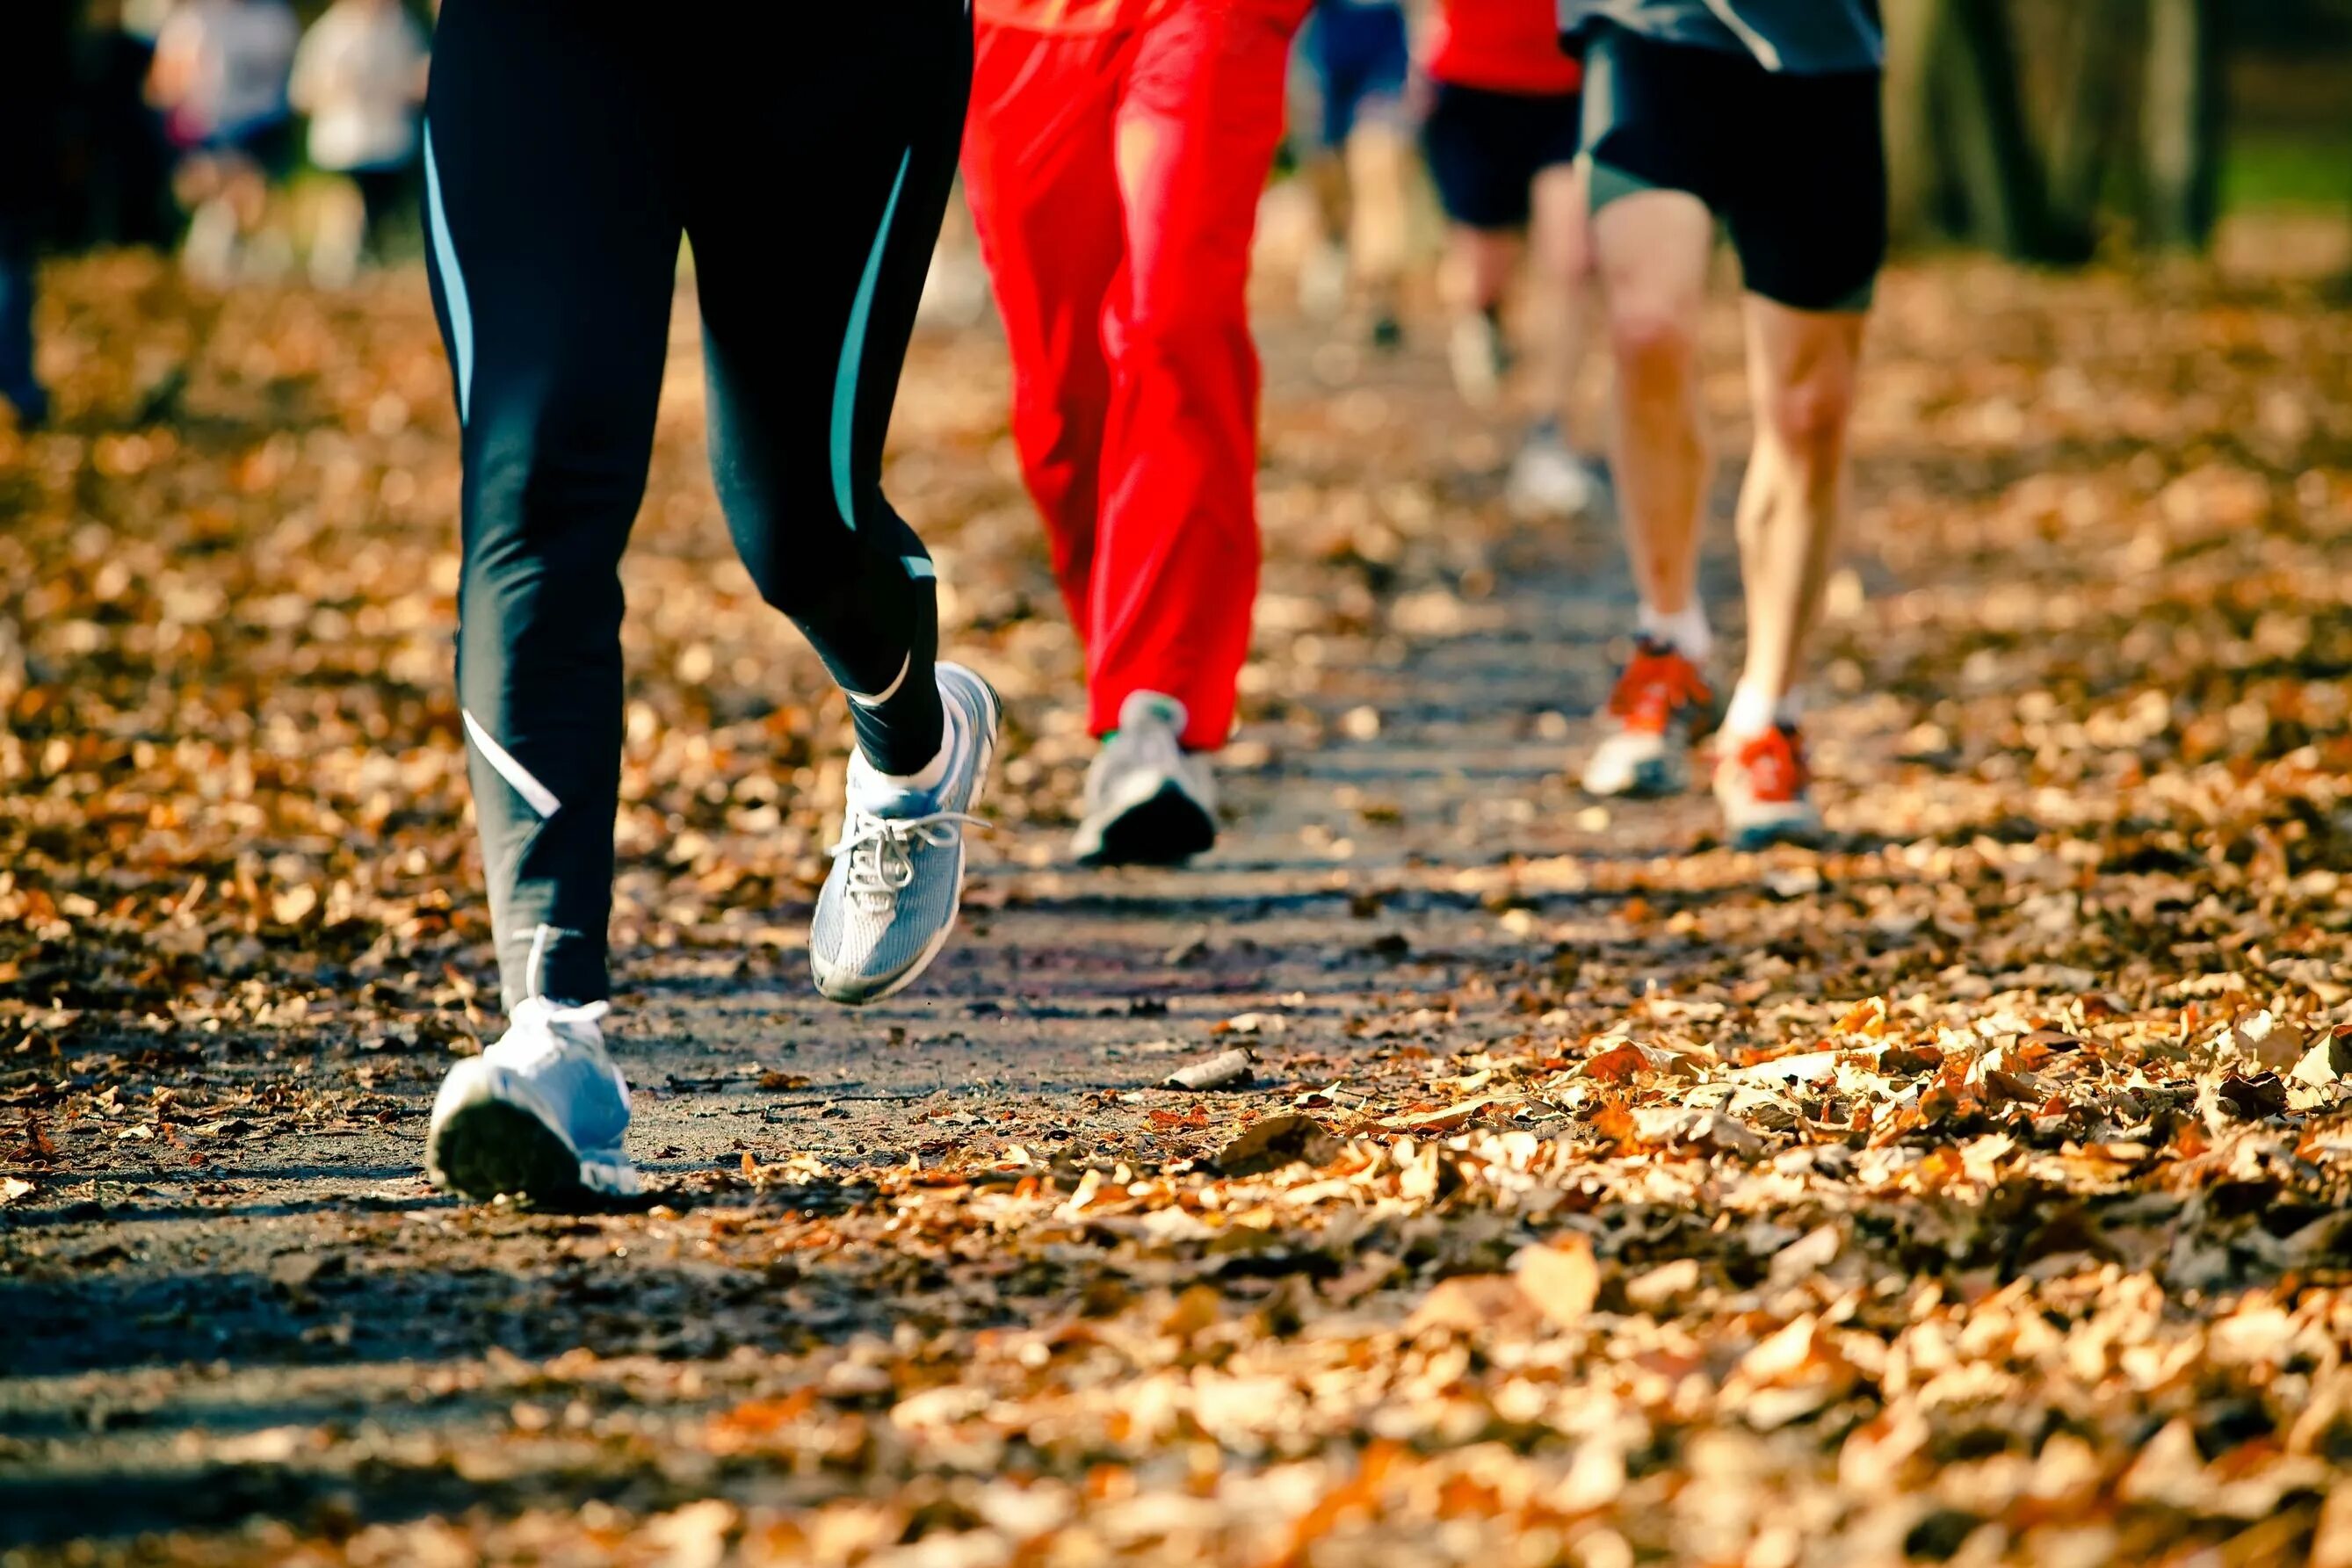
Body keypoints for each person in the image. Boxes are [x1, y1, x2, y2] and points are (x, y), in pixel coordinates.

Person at [417, 0, 996, 1205]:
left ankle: (914, 751)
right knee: (535, 480)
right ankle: (553, 1030)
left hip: (837, 48)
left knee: (800, 523)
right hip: (551, 37)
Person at [961, 0, 1312, 866]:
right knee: (1059, 401)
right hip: (1023, 28)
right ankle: (1122, 665)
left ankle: (1153, 707)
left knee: (1173, 320)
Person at [1561, 0, 1885, 849]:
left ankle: (1767, 715)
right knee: (1645, 326)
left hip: (1824, 52)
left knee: (1809, 409)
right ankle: (1667, 642)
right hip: (1649, 29)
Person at [1420, 0, 1599, 518]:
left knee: (1570, 258)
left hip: (1569, 82)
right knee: (1478, 277)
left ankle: (1550, 431)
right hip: (1472, 82)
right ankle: (1483, 317)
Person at [147, 0, 300, 284]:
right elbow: (162, 85)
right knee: (212, 199)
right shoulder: (190, 22)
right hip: (204, 130)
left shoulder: (272, 18)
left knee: (248, 203)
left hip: (259, 128)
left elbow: (287, 75)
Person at [1291, 0, 1413, 345]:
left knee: (1379, 166)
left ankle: (1379, 295)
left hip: (1385, 32)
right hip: (1322, 28)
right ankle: (1332, 240)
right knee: (1323, 164)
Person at [288, 0, 429, 287]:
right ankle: (337, 271)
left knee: (385, 220)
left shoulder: (400, 29)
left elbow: (418, 80)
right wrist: (337, 86)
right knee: (347, 211)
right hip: (344, 146)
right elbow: (301, 92)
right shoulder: (331, 34)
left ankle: (379, 268)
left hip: (391, 146)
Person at [0, 2, 76, 430]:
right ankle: (19, 389)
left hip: (20, 147)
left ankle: (19, 389)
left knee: (11, 261)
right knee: (12, 263)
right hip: (22, 147)